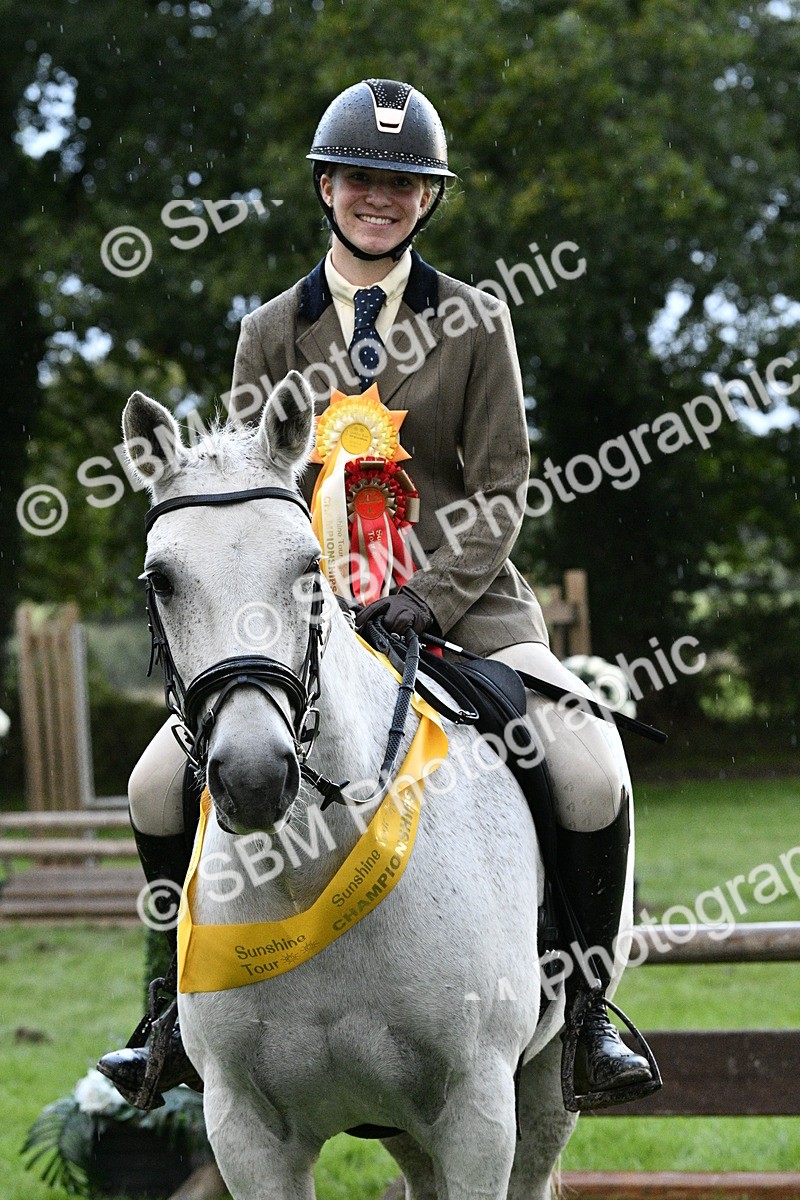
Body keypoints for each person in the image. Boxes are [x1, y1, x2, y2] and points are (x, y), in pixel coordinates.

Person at [99, 78, 657, 1112]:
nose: (380, 198)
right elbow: (245, 494)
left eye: (403, 186)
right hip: (302, 614)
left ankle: (584, 1019)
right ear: (326, 186)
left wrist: (432, 594)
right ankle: (167, 1021)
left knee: (584, 763)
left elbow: (501, 487)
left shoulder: (478, 320)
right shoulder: (270, 331)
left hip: (467, 605)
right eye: (361, 179)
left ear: (426, 202)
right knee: (150, 786)